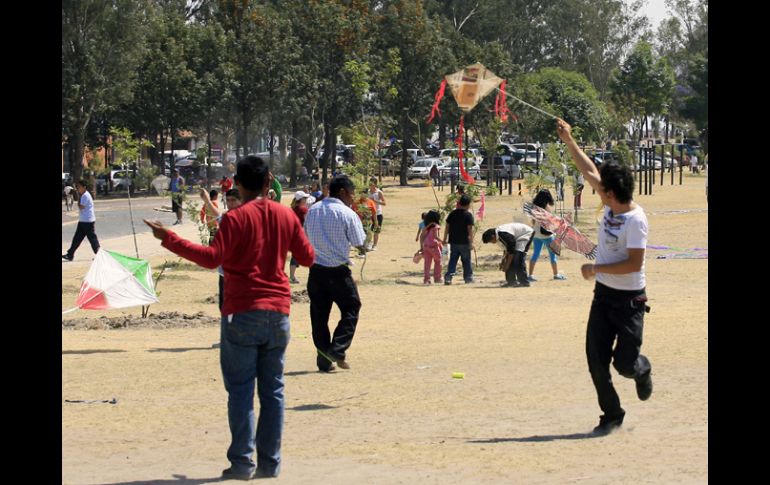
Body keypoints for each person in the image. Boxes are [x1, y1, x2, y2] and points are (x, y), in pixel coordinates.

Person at [144, 156, 315, 480]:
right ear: (269, 183)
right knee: (274, 390)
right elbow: (307, 257)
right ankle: (269, 463)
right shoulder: (286, 215)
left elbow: (212, 259)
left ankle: (241, 463)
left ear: (237, 184)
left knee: (240, 391)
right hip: (278, 312)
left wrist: (169, 238)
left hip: (241, 312)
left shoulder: (234, 219)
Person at [556, 118, 652, 436]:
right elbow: (588, 171)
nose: (597, 188)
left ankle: (642, 368)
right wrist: (569, 140)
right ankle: (612, 414)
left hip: (629, 301)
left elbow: (633, 265)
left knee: (624, 365)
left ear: (611, 194)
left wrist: (595, 268)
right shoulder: (612, 203)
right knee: (595, 359)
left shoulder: (635, 221)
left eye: (601, 189)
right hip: (603, 296)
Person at [304, 175, 367, 373]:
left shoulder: (312, 210)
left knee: (319, 316)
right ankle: (338, 349)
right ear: (342, 192)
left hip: (316, 271)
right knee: (351, 307)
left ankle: (324, 360)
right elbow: (358, 241)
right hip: (338, 272)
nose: (352, 198)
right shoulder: (346, 213)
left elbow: (305, 236)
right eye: (351, 193)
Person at [528, 188, 566, 281]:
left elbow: (533, 221)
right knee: (553, 255)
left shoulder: (534, 207)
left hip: (536, 233)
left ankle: (530, 275)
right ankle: (556, 274)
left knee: (535, 254)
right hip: (546, 235)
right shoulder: (547, 208)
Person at [481, 223, 533, 287]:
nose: (492, 243)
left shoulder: (503, 235)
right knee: (509, 260)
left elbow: (511, 250)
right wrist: (503, 262)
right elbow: (506, 250)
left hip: (525, 234)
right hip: (517, 238)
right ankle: (511, 282)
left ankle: (524, 282)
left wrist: (507, 265)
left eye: (490, 241)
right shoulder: (499, 237)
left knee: (518, 258)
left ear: (493, 236)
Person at [63, 180, 100, 261]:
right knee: (77, 238)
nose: (77, 188)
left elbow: (81, 207)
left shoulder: (85, 196)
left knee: (92, 239)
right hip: (83, 221)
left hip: (88, 221)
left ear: (84, 187)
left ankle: (99, 255)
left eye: (79, 187)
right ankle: (70, 254)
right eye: (77, 187)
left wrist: (78, 197)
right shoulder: (84, 195)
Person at [442, 193, 474, 285]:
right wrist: (471, 242)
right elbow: (470, 230)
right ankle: (468, 278)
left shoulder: (452, 214)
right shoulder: (468, 215)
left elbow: (447, 227)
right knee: (466, 260)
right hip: (464, 242)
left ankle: (448, 277)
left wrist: (444, 238)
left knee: (453, 260)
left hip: (454, 242)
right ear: (468, 204)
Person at [289, 191, 312, 284]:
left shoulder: (293, 209)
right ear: (301, 200)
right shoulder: (303, 210)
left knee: (295, 256)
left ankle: (292, 276)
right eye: (305, 198)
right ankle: (313, 275)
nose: (306, 200)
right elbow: (309, 222)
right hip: (303, 235)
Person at [352, 191, 378, 255]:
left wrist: (375, 221)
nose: (362, 195)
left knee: (368, 234)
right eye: (361, 194)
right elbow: (353, 212)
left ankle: (366, 246)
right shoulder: (356, 202)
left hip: (368, 222)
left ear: (367, 194)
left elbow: (374, 213)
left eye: (364, 194)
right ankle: (362, 250)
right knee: (360, 236)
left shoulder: (370, 202)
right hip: (358, 222)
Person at [420, 210, 443, 285]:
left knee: (427, 263)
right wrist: (443, 241)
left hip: (426, 246)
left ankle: (426, 279)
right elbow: (436, 236)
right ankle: (437, 277)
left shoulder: (427, 226)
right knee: (438, 261)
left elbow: (422, 235)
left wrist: (421, 247)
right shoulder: (436, 226)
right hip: (434, 246)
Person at [367, 178, 386, 250]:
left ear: (375, 184)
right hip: (369, 214)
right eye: (370, 183)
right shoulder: (368, 192)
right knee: (368, 230)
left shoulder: (379, 192)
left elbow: (384, 203)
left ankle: (375, 245)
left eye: (371, 183)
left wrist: (375, 201)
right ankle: (369, 243)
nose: (370, 185)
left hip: (378, 213)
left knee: (376, 230)